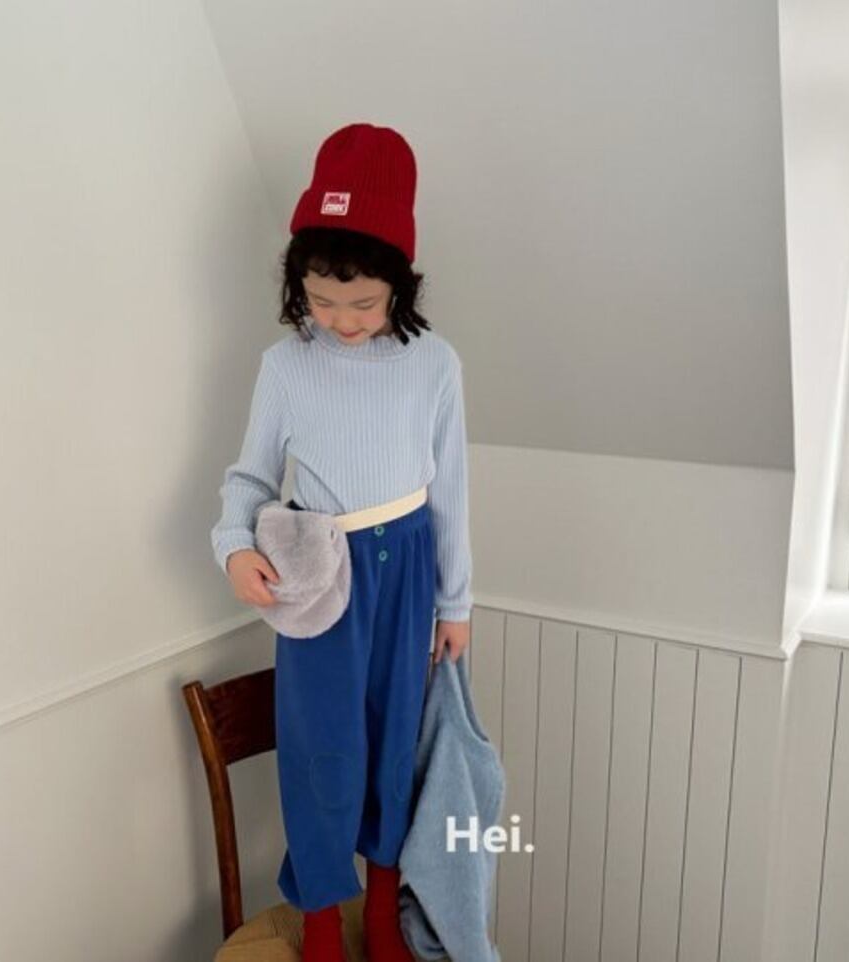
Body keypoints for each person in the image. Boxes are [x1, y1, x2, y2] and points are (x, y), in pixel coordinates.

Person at [210, 122, 473, 962]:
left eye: (363, 303)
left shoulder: (435, 365)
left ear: (400, 281)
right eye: (322, 301)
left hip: (410, 572)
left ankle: (386, 911)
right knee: (322, 751)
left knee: (396, 748)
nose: (342, 321)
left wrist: (457, 602)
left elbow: (452, 491)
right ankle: (323, 921)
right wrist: (234, 548)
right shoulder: (285, 367)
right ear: (299, 284)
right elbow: (248, 480)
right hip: (320, 575)